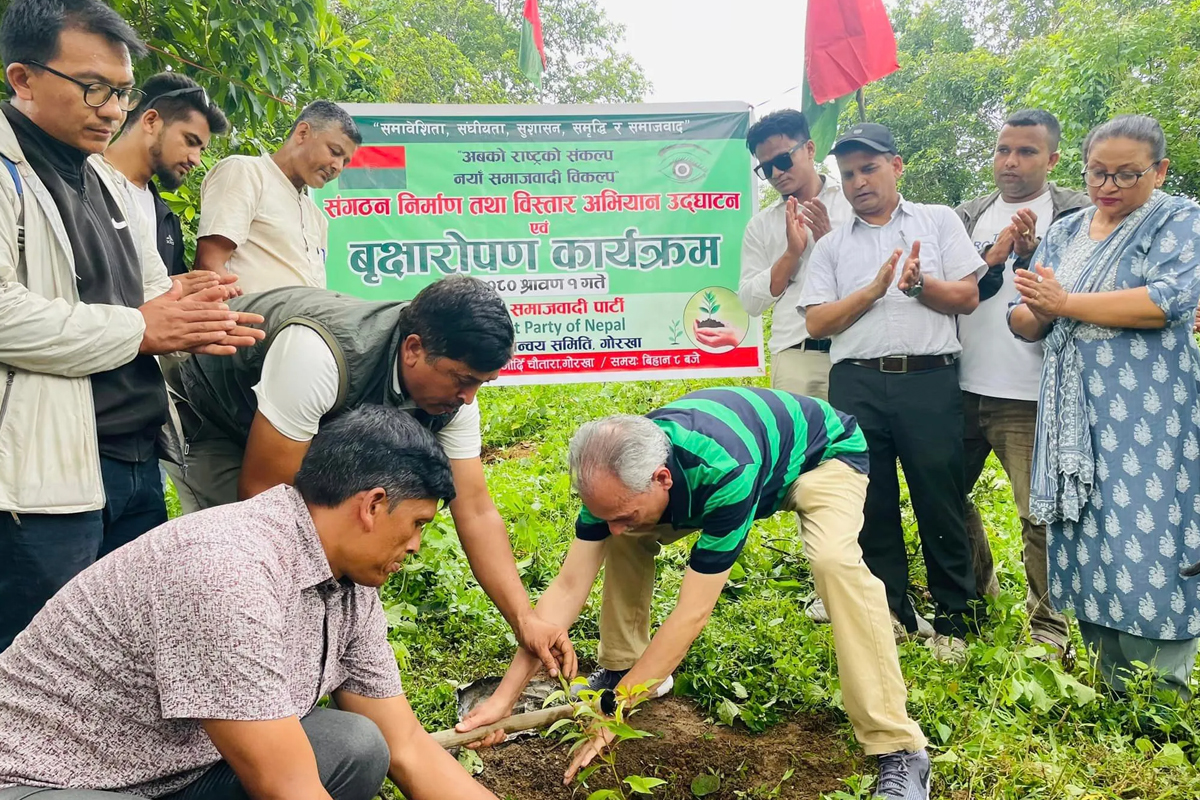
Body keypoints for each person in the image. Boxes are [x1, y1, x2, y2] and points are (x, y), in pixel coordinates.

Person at [0, 406, 501, 800]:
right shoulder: (226, 570)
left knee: (354, 746)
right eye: (417, 524)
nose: (415, 546)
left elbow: (407, 747)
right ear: (371, 505)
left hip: (169, 772)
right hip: (47, 780)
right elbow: (287, 790)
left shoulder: (350, 583)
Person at [457, 388, 932, 800]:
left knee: (834, 561)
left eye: (623, 511)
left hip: (821, 457)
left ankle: (899, 745)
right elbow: (566, 587)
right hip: (728, 466)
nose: (613, 526)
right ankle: (627, 667)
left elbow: (692, 613)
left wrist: (615, 713)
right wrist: (503, 697)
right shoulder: (613, 483)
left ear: (662, 478)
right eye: (605, 513)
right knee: (626, 538)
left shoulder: (724, 473)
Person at [0, 0, 263, 653]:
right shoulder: (8, 172)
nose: (111, 109)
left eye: (119, 92)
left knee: (126, 655)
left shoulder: (109, 185)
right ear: (23, 78)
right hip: (44, 478)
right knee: (39, 665)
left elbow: (148, 292)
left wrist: (188, 308)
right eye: (93, 88)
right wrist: (144, 327)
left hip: (137, 460)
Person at [164, 276, 574, 678]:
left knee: (345, 549)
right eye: (464, 380)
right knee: (244, 559)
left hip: (305, 419)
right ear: (414, 348)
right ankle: (240, 680)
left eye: (482, 384)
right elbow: (264, 496)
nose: (469, 397)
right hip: (215, 405)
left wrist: (525, 618)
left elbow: (476, 510)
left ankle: (329, 676)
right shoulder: (318, 355)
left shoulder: (456, 397)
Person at [1008, 115, 1200, 699]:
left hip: (1149, 411)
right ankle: (1107, 676)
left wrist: (1065, 302)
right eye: (1098, 173)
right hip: (1073, 411)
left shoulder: (1177, 219)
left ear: (1160, 171)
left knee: (1152, 534)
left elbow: (1166, 301)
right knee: (1086, 530)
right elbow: (1022, 320)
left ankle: (1162, 689)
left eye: (1126, 174)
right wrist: (1042, 308)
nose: (1108, 185)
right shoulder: (1064, 232)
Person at [798, 123, 987, 661]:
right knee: (871, 500)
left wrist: (919, 286)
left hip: (928, 379)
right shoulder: (832, 246)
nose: (859, 182)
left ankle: (956, 621)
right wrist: (875, 290)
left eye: (870, 168)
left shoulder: (938, 220)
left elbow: (969, 296)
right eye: (849, 173)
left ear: (897, 166)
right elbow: (817, 322)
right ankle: (893, 614)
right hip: (857, 382)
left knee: (939, 498)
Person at [954, 109, 1089, 658]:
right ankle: (976, 595)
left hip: (1032, 393)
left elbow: (1078, 291)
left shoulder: (1076, 214)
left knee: (1038, 513)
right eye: (1003, 150)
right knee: (946, 496)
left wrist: (1034, 254)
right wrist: (996, 257)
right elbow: (957, 286)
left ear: (1053, 159)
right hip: (959, 384)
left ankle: (1048, 626)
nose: (1011, 162)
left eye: (1027, 152)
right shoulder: (968, 215)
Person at [738, 109, 853, 399]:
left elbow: (878, 277)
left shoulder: (850, 205)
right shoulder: (761, 225)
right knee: (800, 444)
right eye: (766, 168)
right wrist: (791, 255)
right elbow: (750, 302)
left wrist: (828, 241)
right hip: (796, 356)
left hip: (856, 350)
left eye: (782, 160)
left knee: (857, 444)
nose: (776, 173)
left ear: (810, 149)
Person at [193, 100, 359, 294]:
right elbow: (208, 265)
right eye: (335, 152)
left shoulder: (317, 217)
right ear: (302, 133)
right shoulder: (246, 172)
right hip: (252, 319)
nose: (337, 166)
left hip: (310, 319)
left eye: (344, 162)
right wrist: (236, 319)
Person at [97, 71, 229, 278]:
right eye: (190, 141)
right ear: (150, 121)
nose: (195, 159)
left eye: (201, 150)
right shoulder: (78, 180)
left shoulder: (167, 221)